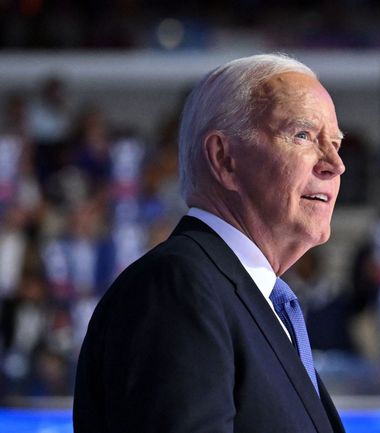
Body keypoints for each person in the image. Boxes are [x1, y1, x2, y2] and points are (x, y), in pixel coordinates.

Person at [73, 54, 347, 433]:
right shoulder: (176, 288)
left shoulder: (254, 300)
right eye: (303, 135)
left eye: (335, 143)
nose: (334, 163)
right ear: (224, 158)